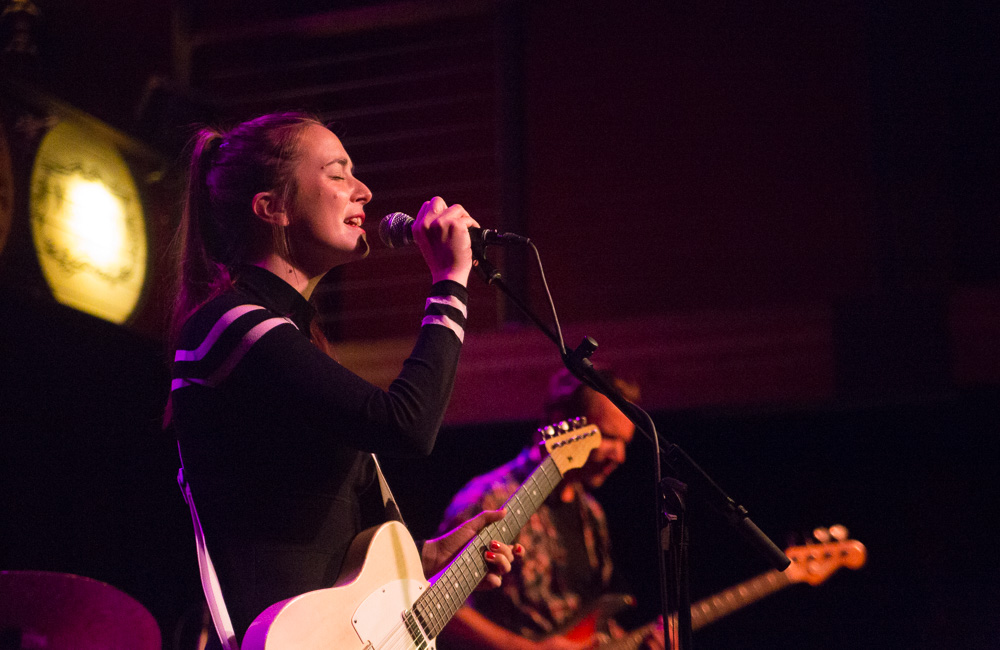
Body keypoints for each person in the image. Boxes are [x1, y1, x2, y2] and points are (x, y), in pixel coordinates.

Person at [166, 111, 520, 646]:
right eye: (337, 174)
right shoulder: (229, 325)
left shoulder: (291, 339)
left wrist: (426, 558)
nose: (364, 191)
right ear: (272, 208)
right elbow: (406, 425)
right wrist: (449, 283)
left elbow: (315, 535)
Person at [435, 368, 664, 650]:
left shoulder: (592, 513)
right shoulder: (490, 500)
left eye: (624, 442)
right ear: (562, 422)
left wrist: (640, 642)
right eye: (607, 436)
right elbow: (439, 606)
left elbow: (587, 620)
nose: (620, 455)